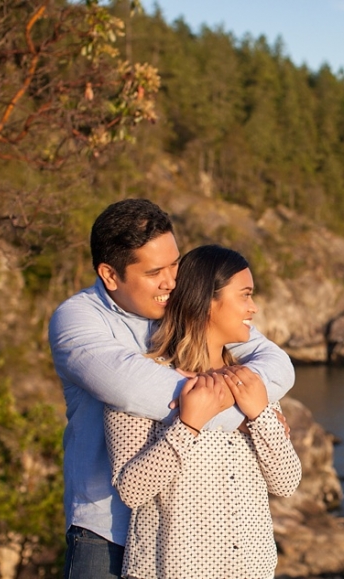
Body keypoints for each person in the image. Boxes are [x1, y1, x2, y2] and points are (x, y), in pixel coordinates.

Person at [49, 199, 295, 579]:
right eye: (154, 272)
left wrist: (257, 405)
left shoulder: (186, 308)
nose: (171, 281)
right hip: (106, 531)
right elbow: (137, 389)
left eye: (175, 265)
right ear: (110, 275)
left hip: (196, 542)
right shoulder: (78, 321)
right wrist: (244, 413)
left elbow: (275, 365)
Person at [104, 245, 301, 579]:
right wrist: (188, 424)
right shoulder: (143, 383)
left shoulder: (249, 382)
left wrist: (260, 416)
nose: (253, 308)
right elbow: (131, 490)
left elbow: (286, 482)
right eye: (245, 295)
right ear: (206, 302)